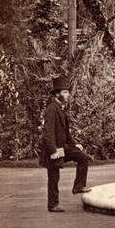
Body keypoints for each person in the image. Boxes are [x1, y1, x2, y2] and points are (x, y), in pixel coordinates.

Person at [39, 76, 91, 212]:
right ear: (57, 94)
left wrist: (75, 146)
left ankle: (78, 186)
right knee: (54, 177)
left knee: (83, 157)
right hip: (54, 149)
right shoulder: (52, 109)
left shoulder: (60, 109)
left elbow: (66, 134)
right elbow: (47, 133)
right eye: (65, 92)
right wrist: (53, 151)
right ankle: (53, 205)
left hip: (63, 147)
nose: (67, 95)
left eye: (68, 92)